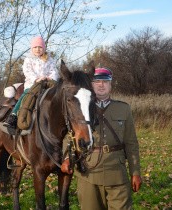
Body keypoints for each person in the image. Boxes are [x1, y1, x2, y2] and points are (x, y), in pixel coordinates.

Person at [61, 67, 142, 209]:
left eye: (105, 81)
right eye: (96, 81)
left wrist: (135, 173)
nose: (101, 84)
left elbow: (131, 143)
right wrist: (67, 157)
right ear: (90, 85)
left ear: (110, 85)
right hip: (89, 172)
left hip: (117, 171)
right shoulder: (80, 106)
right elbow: (70, 134)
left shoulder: (123, 108)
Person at [4, 36, 59, 128]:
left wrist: (51, 78)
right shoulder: (28, 59)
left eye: (40, 47)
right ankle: (13, 116)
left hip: (47, 85)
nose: (38, 49)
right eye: (35, 47)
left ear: (44, 48)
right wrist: (36, 79)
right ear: (31, 48)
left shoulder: (50, 60)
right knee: (25, 97)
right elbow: (27, 71)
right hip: (32, 84)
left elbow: (54, 71)